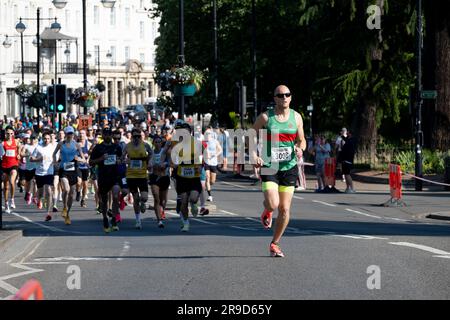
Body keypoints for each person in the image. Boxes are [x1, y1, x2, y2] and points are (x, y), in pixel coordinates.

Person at [252, 85, 306, 258]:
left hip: (289, 166)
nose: (284, 97)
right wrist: (254, 155)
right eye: (280, 95)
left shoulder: (297, 117)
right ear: (274, 98)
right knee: (273, 204)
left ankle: (274, 243)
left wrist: (300, 149)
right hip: (270, 165)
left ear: (291, 97)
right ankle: (267, 210)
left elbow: (302, 139)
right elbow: (250, 136)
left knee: (284, 209)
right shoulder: (266, 118)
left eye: (287, 94)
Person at [168, 121, 202, 232]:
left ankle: (194, 204)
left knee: (193, 198)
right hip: (181, 176)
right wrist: (174, 164)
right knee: (183, 201)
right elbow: (172, 158)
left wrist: (200, 165)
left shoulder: (196, 143)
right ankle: (186, 223)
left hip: (194, 176)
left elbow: (203, 156)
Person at [90, 128, 122, 232]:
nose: (108, 136)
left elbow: (121, 159)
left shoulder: (116, 147)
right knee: (104, 201)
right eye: (106, 134)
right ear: (103, 136)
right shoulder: (98, 148)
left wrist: (119, 161)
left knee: (116, 196)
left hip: (114, 176)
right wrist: (101, 159)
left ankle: (114, 219)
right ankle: (105, 219)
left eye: (109, 134)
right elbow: (91, 162)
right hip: (103, 176)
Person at [52, 126, 86, 225]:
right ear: (66, 134)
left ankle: (67, 213)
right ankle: (64, 207)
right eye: (68, 133)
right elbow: (54, 154)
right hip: (63, 170)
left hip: (73, 170)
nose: (70, 135)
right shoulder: (60, 144)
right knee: (66, 189)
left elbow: (83, 159)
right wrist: (55, 163)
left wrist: (78, 159)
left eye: (71, 133)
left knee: (71, 193)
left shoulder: (76, 145)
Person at [122, 128, 152, 230]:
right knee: (136, 198)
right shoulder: (127, 146)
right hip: (131, 176)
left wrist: (149, 162)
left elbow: (151, 153)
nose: (136, 138)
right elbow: (122, 157)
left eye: (138, 136)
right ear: (131, 137)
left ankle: (143, 203)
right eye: (134, 136)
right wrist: (125, 160)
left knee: (144, 197)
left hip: (142, 175)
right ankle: (138, 220)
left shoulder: (145, 145)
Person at [30, 131, 57, 221]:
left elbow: (56, 159)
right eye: (45, 138)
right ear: (42, 139)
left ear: (50, 139)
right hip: (39, 173)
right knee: (41, 193)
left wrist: (55, 162)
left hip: (49, 172)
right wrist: (39, 159)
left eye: (48, 138)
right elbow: (31, 159)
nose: (46, 140)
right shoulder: (38, 148)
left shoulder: (53, 147)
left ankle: (48, 213)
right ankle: (38, 199)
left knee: (49, 191)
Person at [148, 135, 170, 228]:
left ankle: (162, 210)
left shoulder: (164, 152)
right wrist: (150, 166)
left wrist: (164, 164)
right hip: (154, 177)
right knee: (156, 198)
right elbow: (148, 165)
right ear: (153, 143)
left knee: (163, 200)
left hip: (164, 177)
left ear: (161, 143)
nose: (157, 143)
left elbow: (169, 161)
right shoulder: (151, 153)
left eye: (159, 142)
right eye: (156, 142)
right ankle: (159, 220)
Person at [1, 126, 22, 213]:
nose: (10, 135)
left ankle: (12, 199)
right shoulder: (2, 144)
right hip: (5, 166)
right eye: (8, 133)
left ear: (13, 134)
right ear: (5, 134)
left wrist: (19, 154)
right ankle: (6, 204)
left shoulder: (16, 142)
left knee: (12, 181)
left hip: (14, 165)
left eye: (11, 133)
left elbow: (20, 146)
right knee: (6, 187)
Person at [204, 129, 222, 202]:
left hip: (214, 163)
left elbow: (220, 150)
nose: (207, 135)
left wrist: (215, 154)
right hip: (206, 162)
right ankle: (210, 196)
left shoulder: (215, 141)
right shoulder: (204, 142)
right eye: (206, 134)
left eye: (209, 134)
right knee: (207, 177)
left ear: (211, 134)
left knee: (212, 181)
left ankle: (207, 185)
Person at [76, 129, 92, 208]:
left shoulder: (88, 144)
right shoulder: (76, 144)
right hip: (78, 165)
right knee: (79, 182)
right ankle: (78, 192)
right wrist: (79, 159)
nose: (81, 135)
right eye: (80, 133)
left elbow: (91, 154)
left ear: (85, 135)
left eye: (83, 133)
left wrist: (88, 159)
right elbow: (74, 155)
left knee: (85, 184)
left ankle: (83, 200)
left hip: (85, 166)